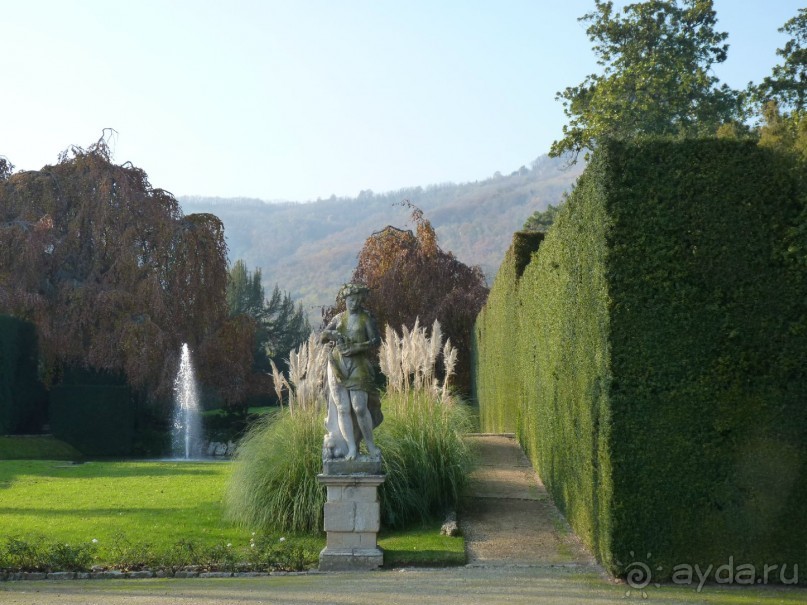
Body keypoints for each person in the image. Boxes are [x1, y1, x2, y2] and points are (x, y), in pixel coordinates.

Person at [321, 283, 382, 460]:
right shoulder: (339, 318)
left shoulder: (365, 318)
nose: (353, 303)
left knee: (360, 407)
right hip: (338, 365)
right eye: (350, 300)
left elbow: (375, 341)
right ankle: (351, 448)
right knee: (343, 408)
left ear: (361, 301)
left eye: (357, 300)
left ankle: (370, 446)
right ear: (345, 300)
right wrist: (332, 335)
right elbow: (323, 335)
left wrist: (356, 347)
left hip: (358, 365)